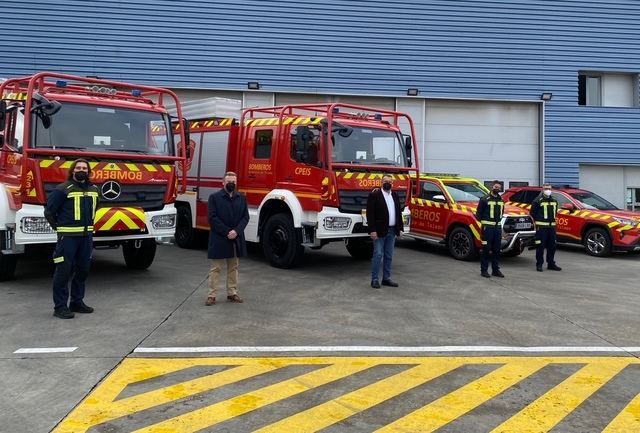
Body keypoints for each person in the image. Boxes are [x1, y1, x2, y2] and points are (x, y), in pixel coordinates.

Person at [44, 158, 99, 319]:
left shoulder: (95, 189)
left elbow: (96, 208)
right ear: (73, 171)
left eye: (84, 168)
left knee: (83, 269)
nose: (81, 170)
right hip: (67, 237)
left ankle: (77, 302)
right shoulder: (62, 189)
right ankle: (60, 306)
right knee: (63, 270)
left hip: (86, 237)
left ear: (88, 172)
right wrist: (59, 229)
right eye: (78, 167)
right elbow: (49, 212)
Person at [206, 172, 249, 305]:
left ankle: (232, 293)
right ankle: (212, 295)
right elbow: (212, 218)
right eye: (229, 181)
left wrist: (236, 231)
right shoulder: (214, 197)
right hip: (219, 237)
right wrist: (227, 231)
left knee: (233, 267)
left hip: (235, 237)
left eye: (234, 182)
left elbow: (245, 217)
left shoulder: (241, 198)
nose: (232, 183)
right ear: (223, 182)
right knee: (216, 268)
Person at [366, 174, 404, 288]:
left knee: (389, 255)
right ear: (381, 183)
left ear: (392, 184)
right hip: (379, 230)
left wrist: (400, 229)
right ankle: (374, 279)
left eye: (389, 181)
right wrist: (372, 230)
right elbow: (370, 214)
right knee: (378, 254)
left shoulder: (395, 196)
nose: (387, 183)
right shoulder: (374, 195)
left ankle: (386, 278)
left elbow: (398, 213)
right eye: (385, 181)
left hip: (392, 230)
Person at [475, 180, 505, 278]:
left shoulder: (501, 200)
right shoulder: (484, 199)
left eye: (499, 187)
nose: (497, 188)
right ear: (492, 187)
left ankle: (495, 270)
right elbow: (478, 214)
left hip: (497, 229)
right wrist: (485, 224)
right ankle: (484, 270)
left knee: (497, 250)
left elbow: (502, 212)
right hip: (487, 229)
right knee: (486, 250)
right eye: (495, 187)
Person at [530, 183, 562, 272]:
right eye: (546, 188)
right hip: (541, 228)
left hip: (551, 228)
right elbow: (532, 213)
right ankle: (539, 264)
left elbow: (555, 213)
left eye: (549, 188)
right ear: (542, 190)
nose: (548, 190)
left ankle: (551, 264)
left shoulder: (554, 201)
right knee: (540, 246)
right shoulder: (537, 201)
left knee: (552, 246)